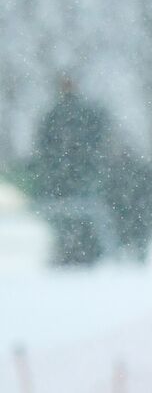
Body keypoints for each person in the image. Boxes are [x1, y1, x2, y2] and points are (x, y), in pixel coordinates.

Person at [30, 74, 116, 266]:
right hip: (74, 177)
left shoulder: (59, 115)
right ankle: (77, 251)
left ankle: (73, 251)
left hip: (68, 178)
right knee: (76, 218)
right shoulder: (79, 114)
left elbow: (45, 146)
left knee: (70, 219)